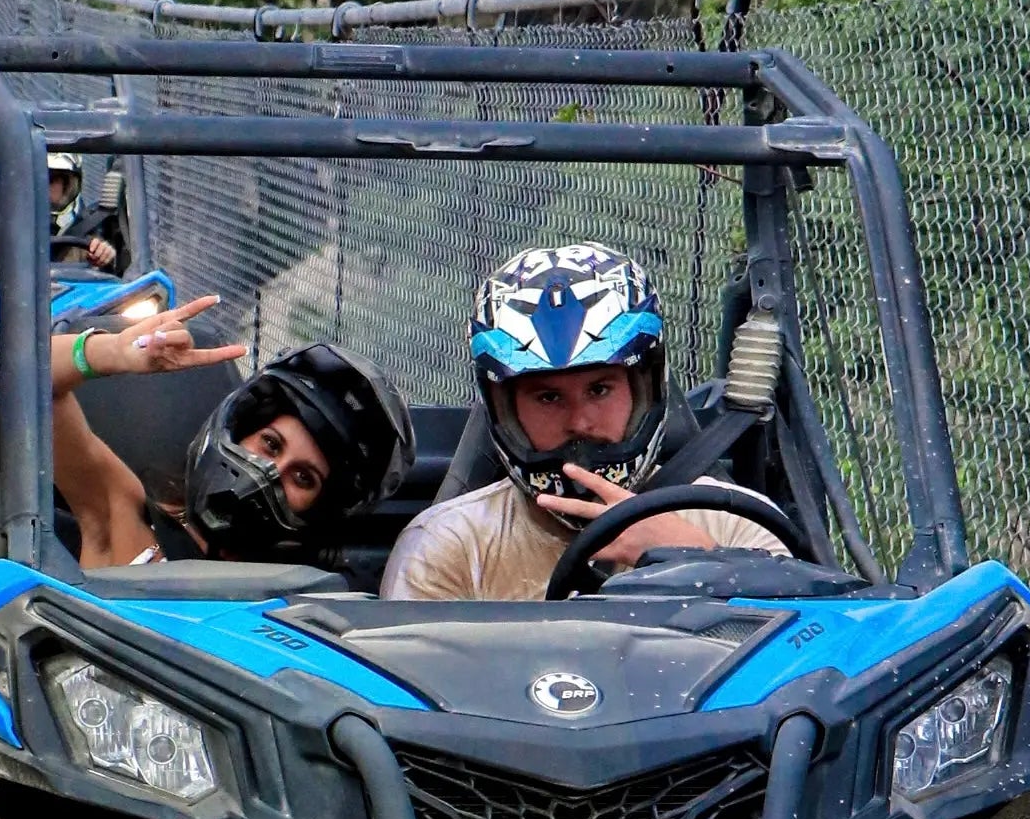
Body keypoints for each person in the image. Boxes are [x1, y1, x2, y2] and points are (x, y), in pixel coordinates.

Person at [381, 242, 791, 600]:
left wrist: (700, 560)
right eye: (547, 397)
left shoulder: (738, 523)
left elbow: (794, 667)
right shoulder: (447, 545)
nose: (579, 421)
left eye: (600, 390)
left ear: (644, 387)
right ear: (504, 409)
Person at [48, 298, 410, 567]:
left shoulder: (302, 602)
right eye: (270, 444)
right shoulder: (125, 516)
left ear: (320, 509)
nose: (269, 472)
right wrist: (110, 351)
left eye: (303, 477)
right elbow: (29, 377)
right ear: (240, 431)